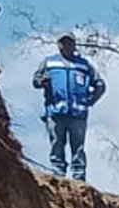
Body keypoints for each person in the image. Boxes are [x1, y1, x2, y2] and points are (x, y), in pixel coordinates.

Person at [32, 32, 106, 181]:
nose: (66, 45)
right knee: (57, 145)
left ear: (74, 44)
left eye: (70, 42)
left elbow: (100, 84)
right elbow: (35, 81)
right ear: (58, 45)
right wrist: (42, 82)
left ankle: (79, 178)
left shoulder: (83, 65)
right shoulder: (49, 63)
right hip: (55, 112)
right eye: (63, 42)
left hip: (77, 115)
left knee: (78, 148)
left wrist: (91, 100)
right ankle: (58, 175)